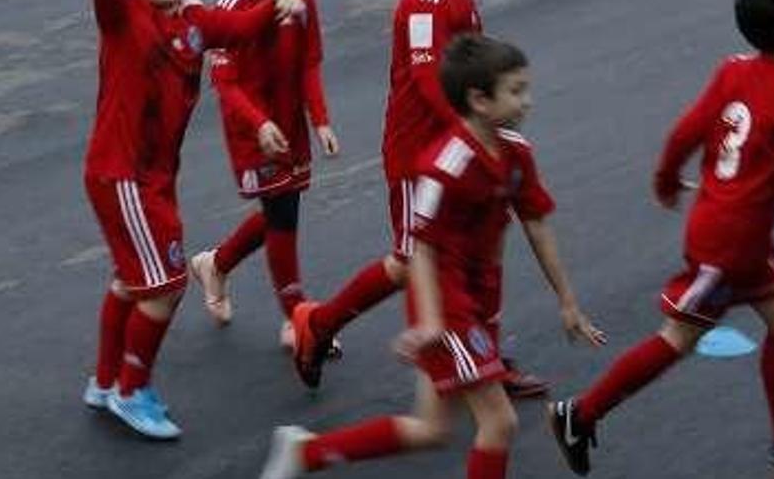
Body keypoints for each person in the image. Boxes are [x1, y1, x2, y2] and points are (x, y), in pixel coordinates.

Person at [546, 0, 774, 474]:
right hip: (731, 249)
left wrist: (667, 179)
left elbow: (687, 130)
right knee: (678, 337)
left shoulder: (733, 70)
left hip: (731, 232)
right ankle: (580, 414)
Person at [259, 34, 605, 479]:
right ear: (479, 100)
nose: (528, 101)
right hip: (447, 302)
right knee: (498, 423)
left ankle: (307, 454)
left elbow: (536, 223)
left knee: (432, 428)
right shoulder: (445, 166)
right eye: (516, 91)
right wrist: (431, 322)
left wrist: (568, 301)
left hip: (476, 297)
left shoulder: (516, 152)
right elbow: (420, 247)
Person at [287, 0, 550, 398]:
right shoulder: (425, 2)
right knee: (413, 261)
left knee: (480, 249)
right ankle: (319, 324)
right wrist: (483, 142)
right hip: (421, 161)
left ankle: (481, 354)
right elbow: (433, 88)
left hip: (458, 156)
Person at [77, 0, 306, 440]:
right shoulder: (123, 18)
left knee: (129, 281)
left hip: (152, 178)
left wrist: (275, 4)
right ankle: (131, 391)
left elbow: (242, 27)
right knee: (166, 288)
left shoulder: (196, 23)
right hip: (125, 176)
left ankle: (106, 380)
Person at [190, 0, 344, 355]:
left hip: (290, 124)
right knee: (282, 212)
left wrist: (321, 120)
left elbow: (310, 62)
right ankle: (296, 318)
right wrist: (258, 123)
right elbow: (225, 79)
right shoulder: (234, 1)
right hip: (253, 128)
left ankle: (215, 264)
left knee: (281, 206)